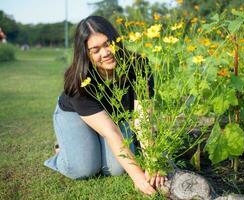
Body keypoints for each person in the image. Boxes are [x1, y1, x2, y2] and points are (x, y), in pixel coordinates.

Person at [44, 15, 166, 195]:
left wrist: (153, 164)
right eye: (95, 50)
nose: (106, 53)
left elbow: (143, 120)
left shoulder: (139, 65)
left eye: (108, 43)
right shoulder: (78, 81)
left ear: (117, 40)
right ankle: (62, 151)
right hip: (75, 114)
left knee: (117, 169)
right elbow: (111, 131)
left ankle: (89, 144)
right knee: (84, 169)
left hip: (113, 118)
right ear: (86, 53)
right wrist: (138, 176)